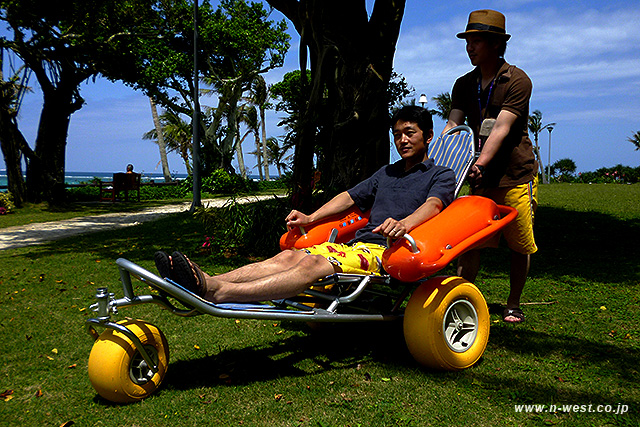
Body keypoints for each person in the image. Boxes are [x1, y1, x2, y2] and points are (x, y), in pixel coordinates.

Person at [155, 106, 456, 304]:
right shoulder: (386, 173)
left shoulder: (441, 174)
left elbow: (433, 205)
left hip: (391, 252)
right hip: (358, 247)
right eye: (397, 135)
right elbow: (348, 197)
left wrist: (404, 224)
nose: (402, 140)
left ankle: (218, 293)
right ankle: (204, 282)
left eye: (410, 133)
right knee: (289, 256)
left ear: (428, 136)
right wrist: (311, 217)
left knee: (311, 265)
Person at [443, 9, 537, 323]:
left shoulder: (517, 80)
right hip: (478, 177)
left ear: (496, 44)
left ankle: (513, 303)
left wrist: (480, 162)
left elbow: (501, 127)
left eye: (477, 41)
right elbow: (453, 126)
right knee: (470, 241)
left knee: (519, 243)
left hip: (513, 175)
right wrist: (438, 160)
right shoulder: (463, 84)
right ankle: (460, 296)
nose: (470, 47)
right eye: (467, 41)